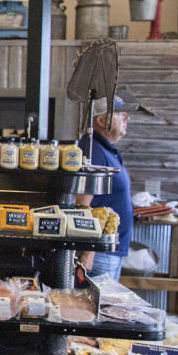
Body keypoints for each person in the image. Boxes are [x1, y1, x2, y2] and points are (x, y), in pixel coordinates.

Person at [76, 89, 148, 280]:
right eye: (119, 113)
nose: (127, 118)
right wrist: (88, 252)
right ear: (100, 120)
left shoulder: (105, 150)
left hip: (108, 251)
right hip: (99, 253)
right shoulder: (93, 151)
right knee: (97, 306)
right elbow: (81, 204)